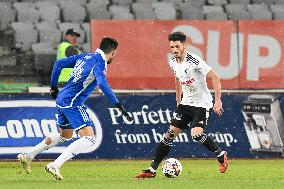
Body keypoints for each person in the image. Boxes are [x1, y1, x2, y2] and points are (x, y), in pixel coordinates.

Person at [17, 37, 132, 180]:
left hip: (62, 99)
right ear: (113, 52)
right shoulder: (100, 62)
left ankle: (28, 155)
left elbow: (59, 64)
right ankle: (55, 165)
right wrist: (118, 105)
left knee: (65, 135)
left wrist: (53, 87)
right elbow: (102, 84)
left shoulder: (85, 56)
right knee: (89, 138)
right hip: (73, 102)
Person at [135, 31, 228, 179]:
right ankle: (151, 170)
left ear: (184, 45)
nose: (174, 50)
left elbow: (215, 77)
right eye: (172, 47)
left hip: (202, 104)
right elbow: (177, 78)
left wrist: (218, 100)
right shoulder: (172, 61)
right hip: (186, 104)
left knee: (196, 134)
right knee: (169, 135)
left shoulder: (194, 60)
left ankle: (220, 154)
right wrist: (178, 97)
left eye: (177, 46)